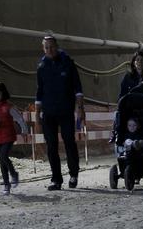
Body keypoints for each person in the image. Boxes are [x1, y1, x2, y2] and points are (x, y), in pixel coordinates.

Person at [35, 36, 84, 191]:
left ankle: (74, 174)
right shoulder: (42, 67)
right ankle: (56, 179)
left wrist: (80, 107)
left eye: (52, 46)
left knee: (69, 141)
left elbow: (78, 87)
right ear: (43, 49)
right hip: (48, 112)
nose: (50, 50)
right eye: (46, 48)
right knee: (51, 146)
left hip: (65, 110)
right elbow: (39, 91)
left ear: (57, 46)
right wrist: (37, 114)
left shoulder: (68, 63)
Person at [0, 83, 28, 195]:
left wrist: (24, 130)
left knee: (4, 156)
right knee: (2, 161)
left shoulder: (9, 107)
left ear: (3, 94)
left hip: (9, 136)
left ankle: (14, 174)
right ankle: (6, 185)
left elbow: (19, 118)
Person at [110, 51, 143, 143]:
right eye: (137, 60)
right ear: (133, 63)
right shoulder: (128, 77)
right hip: (129, 107)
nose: (139, 62)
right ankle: (118, 135)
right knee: (117, 114)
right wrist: (121, 103)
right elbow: (122, 94)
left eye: (142, 60)